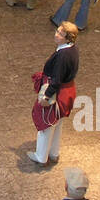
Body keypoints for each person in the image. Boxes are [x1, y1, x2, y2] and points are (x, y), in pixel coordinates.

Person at [29, 23, 79, 165]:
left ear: (68, 38)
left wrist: (46, 96)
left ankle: (41, 156)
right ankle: (54, 153)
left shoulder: (62, 56)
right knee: (57, 124)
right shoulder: (72, 50)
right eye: (57, 31)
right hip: (67, 91)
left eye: (60, 34)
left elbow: (56, 80)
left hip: (57, 93)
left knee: (47, 124)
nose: (56, 35)